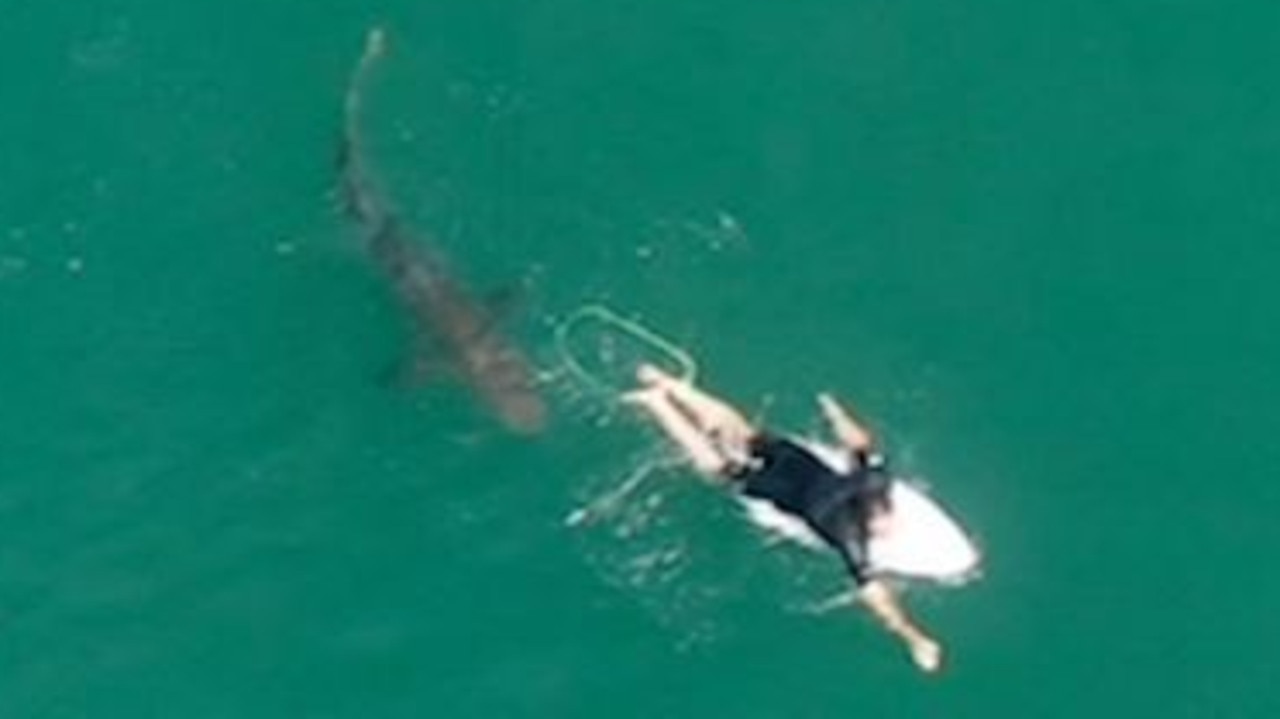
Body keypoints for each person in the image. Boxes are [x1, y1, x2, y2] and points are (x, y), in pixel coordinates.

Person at [624, 364, 944, 673]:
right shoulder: (850, 537)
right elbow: (876, 597)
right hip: (776, 487)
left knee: (741, 431)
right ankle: (657, 403)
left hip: (793, 460)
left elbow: (858, 443)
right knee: (717, 467)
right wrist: (913, 638)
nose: (889, 528)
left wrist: (835, 412)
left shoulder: (872, 483)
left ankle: (668, 384)